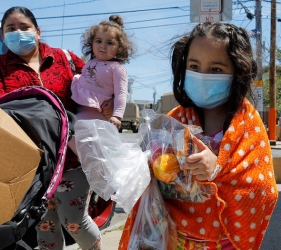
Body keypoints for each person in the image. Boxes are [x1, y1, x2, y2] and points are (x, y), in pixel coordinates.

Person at [119, 22, 278, 250]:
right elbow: (153, 161)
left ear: (238, 72)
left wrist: (218, 169)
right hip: (174, 236)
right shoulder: (174, 118)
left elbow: (264, 189)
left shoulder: (247, 123)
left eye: (216, 69)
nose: (202, 76)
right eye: (194, 65)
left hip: (223, 241)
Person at [0, 6, 114, 250]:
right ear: (2, 36)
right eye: (10, 29)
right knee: (44, 225)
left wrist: (111, 102)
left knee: (75, 221)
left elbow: (100, 82)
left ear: (38, 32)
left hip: (72, 157)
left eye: (24, 27)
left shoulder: (65, 58)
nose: (18, 32)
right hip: (32, 163)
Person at [71, 14, 135, 129]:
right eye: (98, 41)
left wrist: (117, 116)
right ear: (92, 43)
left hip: (97, 113)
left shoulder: (117, 69)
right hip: (78, 108)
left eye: (109, 43)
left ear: (119, 48)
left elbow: (121, 94)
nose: (103, 46)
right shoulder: (90, 61)